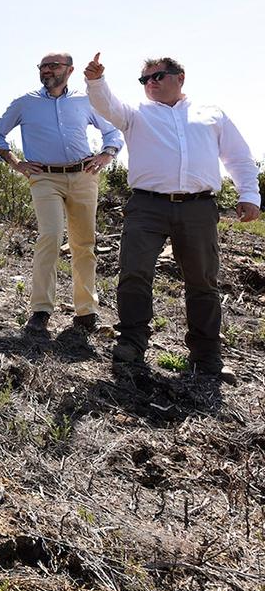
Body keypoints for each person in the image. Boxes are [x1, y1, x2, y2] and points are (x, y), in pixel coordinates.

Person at [85, 53, 259, 382]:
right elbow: (106, 105)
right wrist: (96, 80)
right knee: (134, 273)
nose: (150, 83)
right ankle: (131, 343)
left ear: (180, 77)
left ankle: (207, 355)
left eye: (158, 76)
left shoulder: (211, 114)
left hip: (198, 208)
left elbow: (237, 156)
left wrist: (249, 194)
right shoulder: (135, 114)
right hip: (146, 207)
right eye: (145, 79)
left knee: (202, 281)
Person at [0, 52, 123, 333]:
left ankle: (86, 311)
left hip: (84, 176)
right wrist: (16, 163)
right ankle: (40, 310)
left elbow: (113, 133)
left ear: (69, 70)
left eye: (53, 66)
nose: (46, 70)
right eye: (43, 66)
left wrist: (106, 155)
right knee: (50, 236)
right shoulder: (25, 103)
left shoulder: (85, 101)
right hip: (44, 178)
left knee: (84, 243)